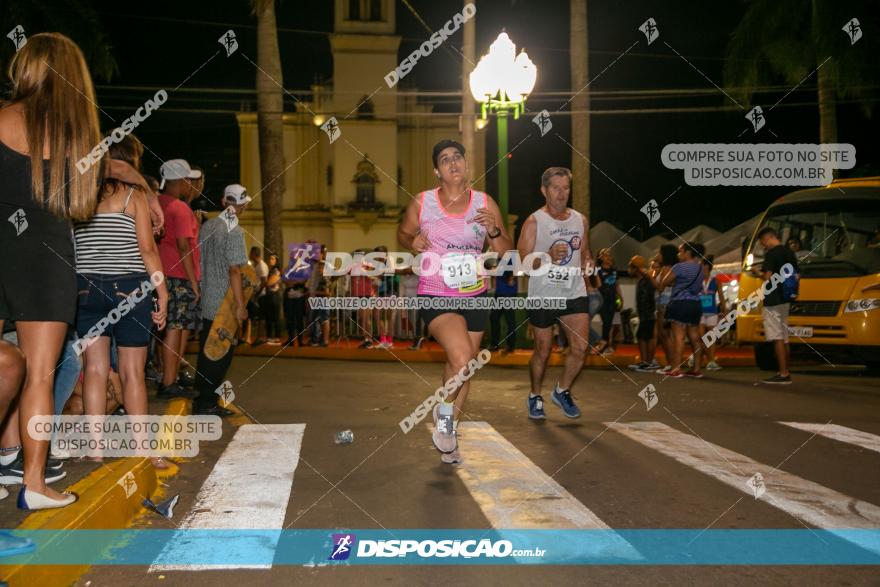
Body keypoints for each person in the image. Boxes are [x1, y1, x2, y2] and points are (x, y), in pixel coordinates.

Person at [0, 33, 160, 511]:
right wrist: (140, 185)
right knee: (40, 376)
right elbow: (88, 196)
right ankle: (33, 483)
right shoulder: (77, 139)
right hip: (46, 255)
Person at [397, 139, 511, 463]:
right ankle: (443, 414)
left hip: (474, 294)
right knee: (463, 360)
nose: (453, 162)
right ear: (437, 171)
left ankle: (448, 432)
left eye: (457, 157)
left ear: (465, 165)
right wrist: (412, 241)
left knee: (459, 369)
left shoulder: (484, 203)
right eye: (445, 159)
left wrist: (495, 229)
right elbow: (403, 234)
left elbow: (504, 250)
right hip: (436, 292)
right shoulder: (423, 203)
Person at [73, 133, 169, 469]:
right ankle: (143, 449)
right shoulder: (134, 196)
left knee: (95, 370)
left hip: (85, 288)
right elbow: (147, 251)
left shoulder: (80, 195)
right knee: (132, 372)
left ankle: (95, 449)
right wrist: (163, 292)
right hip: (130, 289)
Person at [518, 167, 591, 420]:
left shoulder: (580, 220)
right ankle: (535, 395)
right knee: (543, 351)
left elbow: (585, 255)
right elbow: (523, 264)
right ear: (544, 190)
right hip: (543, 295)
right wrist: (547, 256)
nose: (561, 194)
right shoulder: (534, 222)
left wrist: (589, 268)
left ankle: (562, 390)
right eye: (555, 188)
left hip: (574, 291)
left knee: (580, 348)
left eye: (566, 188)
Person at [191, 185, 251, 415]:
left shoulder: (208, 226)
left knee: (207, 350)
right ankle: (207, 403)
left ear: (224, 201)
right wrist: (240, 304)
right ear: (243, 205)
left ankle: (202, 399)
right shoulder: (234, 231)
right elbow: (235, 270)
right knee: (220, 354)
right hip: (225, 301)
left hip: (208, 296)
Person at [156, 158, 202, 399]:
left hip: (159, 273)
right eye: (188, 180)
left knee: (171, 327)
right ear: (182, 181)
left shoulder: (155, 203)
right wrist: (194, 282)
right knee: (176, 327)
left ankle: (168, 377)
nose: (190, 185)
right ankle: (169, 381)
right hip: (179, 275)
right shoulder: (179, 207)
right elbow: (184, 245)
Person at [756, 226, 799, 384]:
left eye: (763, 242)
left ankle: (783, 374)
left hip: (773, 300)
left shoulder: (772, 254)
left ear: (768, 238)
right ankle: (786, 371)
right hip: (786, 298)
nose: (763, 246)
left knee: (777, 338)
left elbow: (767, 277)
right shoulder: (789, 252)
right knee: (785, 337)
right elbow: (797, 275)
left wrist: (757, 273)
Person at [658, 242, 706, 378]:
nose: (679, 254)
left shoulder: (679, 267)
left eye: (681, 252)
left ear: (688, 253)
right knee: (695, 337)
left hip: (680, 303)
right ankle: (696, 369)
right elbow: (697, 288)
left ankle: (675, 368)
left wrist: (677, 283)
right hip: (695, 304)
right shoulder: (700, 269)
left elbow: (664, 282)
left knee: (678, 337)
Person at [627, 255, 659, 372]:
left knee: (645, 337)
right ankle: (645, 361)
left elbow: (645, 299)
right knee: (643, 336)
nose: (628, 270)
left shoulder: (646, 280)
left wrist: (644, 313)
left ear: (636, 268)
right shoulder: (643, 279)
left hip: (648, 313)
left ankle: (648, 363)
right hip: (646, 313)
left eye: (631, 267)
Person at [653, 245, 678, 372]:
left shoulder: (666, 268)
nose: (658, 255)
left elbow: (660, 287)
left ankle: (671, 363)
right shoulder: (673, 268)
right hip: (669, 301)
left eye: (660, 253)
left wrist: (650, 277)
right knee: (668, 335)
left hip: (663, 302)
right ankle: (672, 363)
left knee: (665, 335)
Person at [696, 255, 724, 371]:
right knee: (702, 338)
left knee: (711, 338)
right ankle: (707, 359)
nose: (699, 267)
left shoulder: (716, 281)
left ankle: (710, 361)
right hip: (700, 312)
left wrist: (724, 311)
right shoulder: (697, 281)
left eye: (701, 265)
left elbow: (721, 297)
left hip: (712, 312)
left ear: (706, 266)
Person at [595, 248, 621, 355]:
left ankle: (609, 344)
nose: (607, 256)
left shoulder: (614, 270)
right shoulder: (598, 270)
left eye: (609, 254)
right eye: (604, 254)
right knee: (606, 322)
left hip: (613, 299)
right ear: (600, 257)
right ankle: (604, 343)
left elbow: (617, 285)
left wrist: (621, 298)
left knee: (613, 324)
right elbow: (599, 286)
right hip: (603, 299)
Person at [306, 246, 330, 346]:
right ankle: (317, 339)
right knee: (317, 319)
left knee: (324, 319)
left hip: (323, 299)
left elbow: (327, 292)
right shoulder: (316, 267)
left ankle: (325, 340)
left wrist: (314, 293)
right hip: (317, 298)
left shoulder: (325, 273)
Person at [248, 246, 268, 344]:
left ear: (254, 254)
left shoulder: (261, 266)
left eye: (250, 253)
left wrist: (257, 294)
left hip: (262, 295)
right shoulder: (256, 265)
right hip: (257, 294)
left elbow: (264, 282)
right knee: (259, 316)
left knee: (262, 317)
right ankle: (259, 336)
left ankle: (261, 337)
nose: (249, 255)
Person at [264, 254, 283, 344]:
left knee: (275, 317)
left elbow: (269, 283)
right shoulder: (271, 270)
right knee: (270, 316)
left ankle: (276, 337)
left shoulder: (276, 270)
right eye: (270, 258)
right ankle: (270, 336)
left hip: (274, 295)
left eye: (273, 259)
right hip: (270, 295)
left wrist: (265, 282)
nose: (270, 260)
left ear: (276, 261)